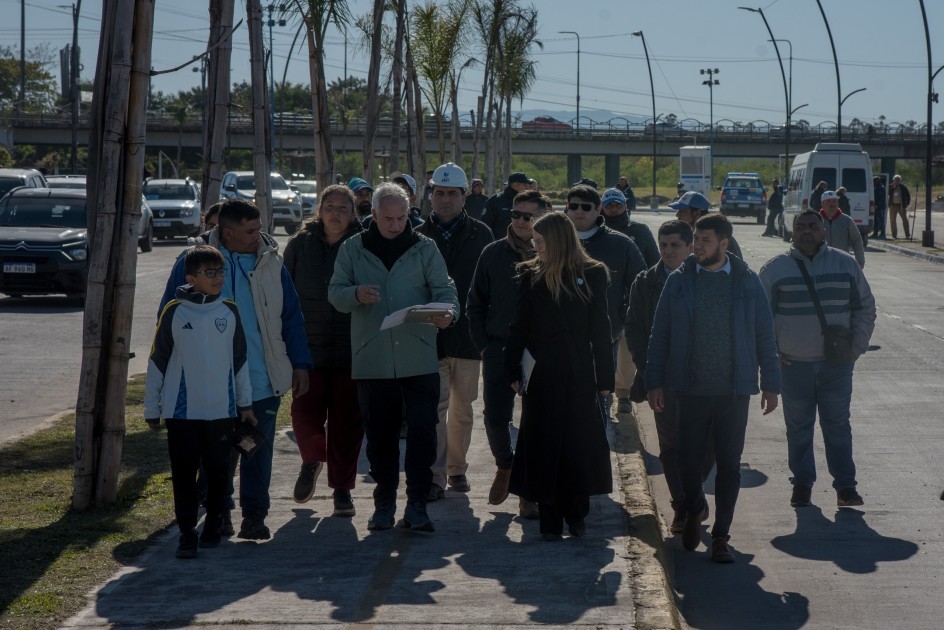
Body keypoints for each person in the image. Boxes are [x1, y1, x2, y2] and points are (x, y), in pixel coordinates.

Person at [159, 199, 313, 541]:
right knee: (216, 454)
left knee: (257, 448)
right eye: (249, 231)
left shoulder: (272, 261)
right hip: (211, 383)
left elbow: (291, 317)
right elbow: (168, 318)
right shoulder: (194, 261)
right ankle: (220, 513)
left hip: (262, 377)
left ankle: (255, 516)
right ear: (227, 233)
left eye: (258, 228)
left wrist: (301, 363)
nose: (258, 236)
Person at [645, 213, 780, 563]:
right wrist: (654, 382)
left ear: (723, 243)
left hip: (734, 392)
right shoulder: (678, 281)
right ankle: (693, 508)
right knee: (688, 461)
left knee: (729, 465)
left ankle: (721, 536)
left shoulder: (748, 282)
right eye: (696, 239)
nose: (697, 246)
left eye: (705, 240)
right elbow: (660, 335)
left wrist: (771, 385)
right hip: (689, 389)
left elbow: (765, 335)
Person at [328, 182, 459, 532]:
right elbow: (335, 294)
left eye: (402, 218)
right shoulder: (353, 249)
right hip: (373, 360)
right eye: (388, 218)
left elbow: (446, 291)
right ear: (372, 214)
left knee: (422, 433)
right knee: (381, 436)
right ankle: (384, 503)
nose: (396, 225)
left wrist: (448, 313)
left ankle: (417, 504)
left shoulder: (424, 247)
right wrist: (355, 293)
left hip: (419, 356)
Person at [504, 212, 614, 541]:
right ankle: (549, 518)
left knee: (576, 446)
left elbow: (601, 330)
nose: (535, 247)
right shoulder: (530, 275)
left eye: (541, 241)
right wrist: (511, 370)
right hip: (541, 375)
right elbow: (518, 327)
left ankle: (576, 512)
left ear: (559, 241)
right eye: (534, 242)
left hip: (579, 374)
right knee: (543, 445)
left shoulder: (592, 274)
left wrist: (606, 380)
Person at [759, 210, 876, 510]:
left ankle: (846, 488)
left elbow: (865, 306)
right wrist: (772, 355)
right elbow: (758, 318)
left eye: (813, 226)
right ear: (792, 232)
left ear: (823, 231)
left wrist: (856, 348)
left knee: (837, 426)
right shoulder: (775, 269)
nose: (807, 231)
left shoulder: (845, 264)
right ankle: (802, 485)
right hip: (792, 365)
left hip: (837, 365)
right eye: (801, 227)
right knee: (798, 428)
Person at [146, 245, 256, 559]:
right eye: (210, 273)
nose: (218, 278)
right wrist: (152, 408)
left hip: (221, 411)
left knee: (219, 473)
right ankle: (186, 533)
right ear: (191, 278)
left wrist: (245, 405)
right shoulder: (174, 311)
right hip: (182, 412)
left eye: (221, 271)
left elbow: (240, 361)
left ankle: (214, 523)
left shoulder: (229, 310)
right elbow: (158, 361)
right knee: (183, 473)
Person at [625, 220, 712, 534]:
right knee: (671, 445)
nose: (668, 251)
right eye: (663, 245)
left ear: (691, 246)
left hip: (706, 380)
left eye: (675, 244)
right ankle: (683, 507)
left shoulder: (707, 278)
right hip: (663, 379)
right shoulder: (645, 282)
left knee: (708, 444)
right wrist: (649, 372)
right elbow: (634, 328)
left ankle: (691, 496)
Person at [283, 185, 365, 517]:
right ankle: (312, 461)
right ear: (319, 210)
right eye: (329, 206)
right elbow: (284, 296)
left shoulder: (364, 245)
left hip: (352, 351)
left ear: (352, 212)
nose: (335, 213)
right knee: (303, 417)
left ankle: (342, 490)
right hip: (308, 350)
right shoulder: (300, 245)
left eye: (343, 208)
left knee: (347, 425)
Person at [467, 190, 547, 519]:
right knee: (495, 418)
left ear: (543, 216)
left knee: (535, 423)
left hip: (540, 352)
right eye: (516, 214)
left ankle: (529, 492)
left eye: (528, 216)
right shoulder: (492, 253)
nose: (520, 221)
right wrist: (484, 345)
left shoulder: (553, 255)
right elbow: (475, 303)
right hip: (499, 348)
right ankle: (506, 465)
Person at [417, 162, 494, 500]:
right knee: (434, 408)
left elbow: (488, 289)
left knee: (463, 408)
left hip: (467, 338)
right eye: (439, 193)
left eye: (452, 194)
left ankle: (457, 470)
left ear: (465, 196)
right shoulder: (416, 234)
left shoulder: (482, 235)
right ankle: (435, 477)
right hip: (426, 337)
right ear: (430, 196)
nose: (445, 200)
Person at [565, 184, 646, 422]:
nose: (579, 212)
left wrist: (622, 317)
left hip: (605, 335)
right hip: (560, 336)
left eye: (586, 207)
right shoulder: (554, 240)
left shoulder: (620, 244)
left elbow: (639, 284)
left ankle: (598, 448)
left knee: (600, 398)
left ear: (598, 209)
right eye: (574, 206)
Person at [599, 186, 658, 415]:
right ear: (602, 207)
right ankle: (603, 393)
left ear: (625, 206)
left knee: (627, 351)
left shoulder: (640, 231)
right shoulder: (596, 233)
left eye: (618, 205)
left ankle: (623, 393)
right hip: (603, 302)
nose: (614, 209)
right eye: (609, 205)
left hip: (633, 299)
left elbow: (654, 262)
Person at [669, 191, 744, 261]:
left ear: (697, 213)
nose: (677, 215)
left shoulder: (721, 237)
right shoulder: (688, 235)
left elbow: (738, 269)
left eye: (682, 211)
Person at [818, 190, 865, 268]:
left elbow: (856, 240)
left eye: (834, 201)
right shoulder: (816, 220)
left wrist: (860, 260)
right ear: (822, 204)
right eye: (828, 201)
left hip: (842, 264)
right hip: (820, 264)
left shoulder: (847, 220)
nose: (832, 204)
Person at [481, 171, 531, 239]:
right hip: (500, 245)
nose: (527, 187)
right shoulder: (496, 200)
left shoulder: (528, 200)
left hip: (523, 245)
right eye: (525, 184)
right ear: (516, 185)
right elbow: (485, 224)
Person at [887, 174, 911, 239]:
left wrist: (907, 203)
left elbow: (908, 195)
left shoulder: (903, 187)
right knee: (893, 221)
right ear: (893, 180)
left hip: (901, 206)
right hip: (893, 206)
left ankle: (907, 234)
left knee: (905, 220)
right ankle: (894, 235)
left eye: (898, 180)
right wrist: (894, 187)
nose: (897, 181)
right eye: (896, 179)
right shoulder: (890, 187)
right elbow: (888, 193)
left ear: (900, 180)